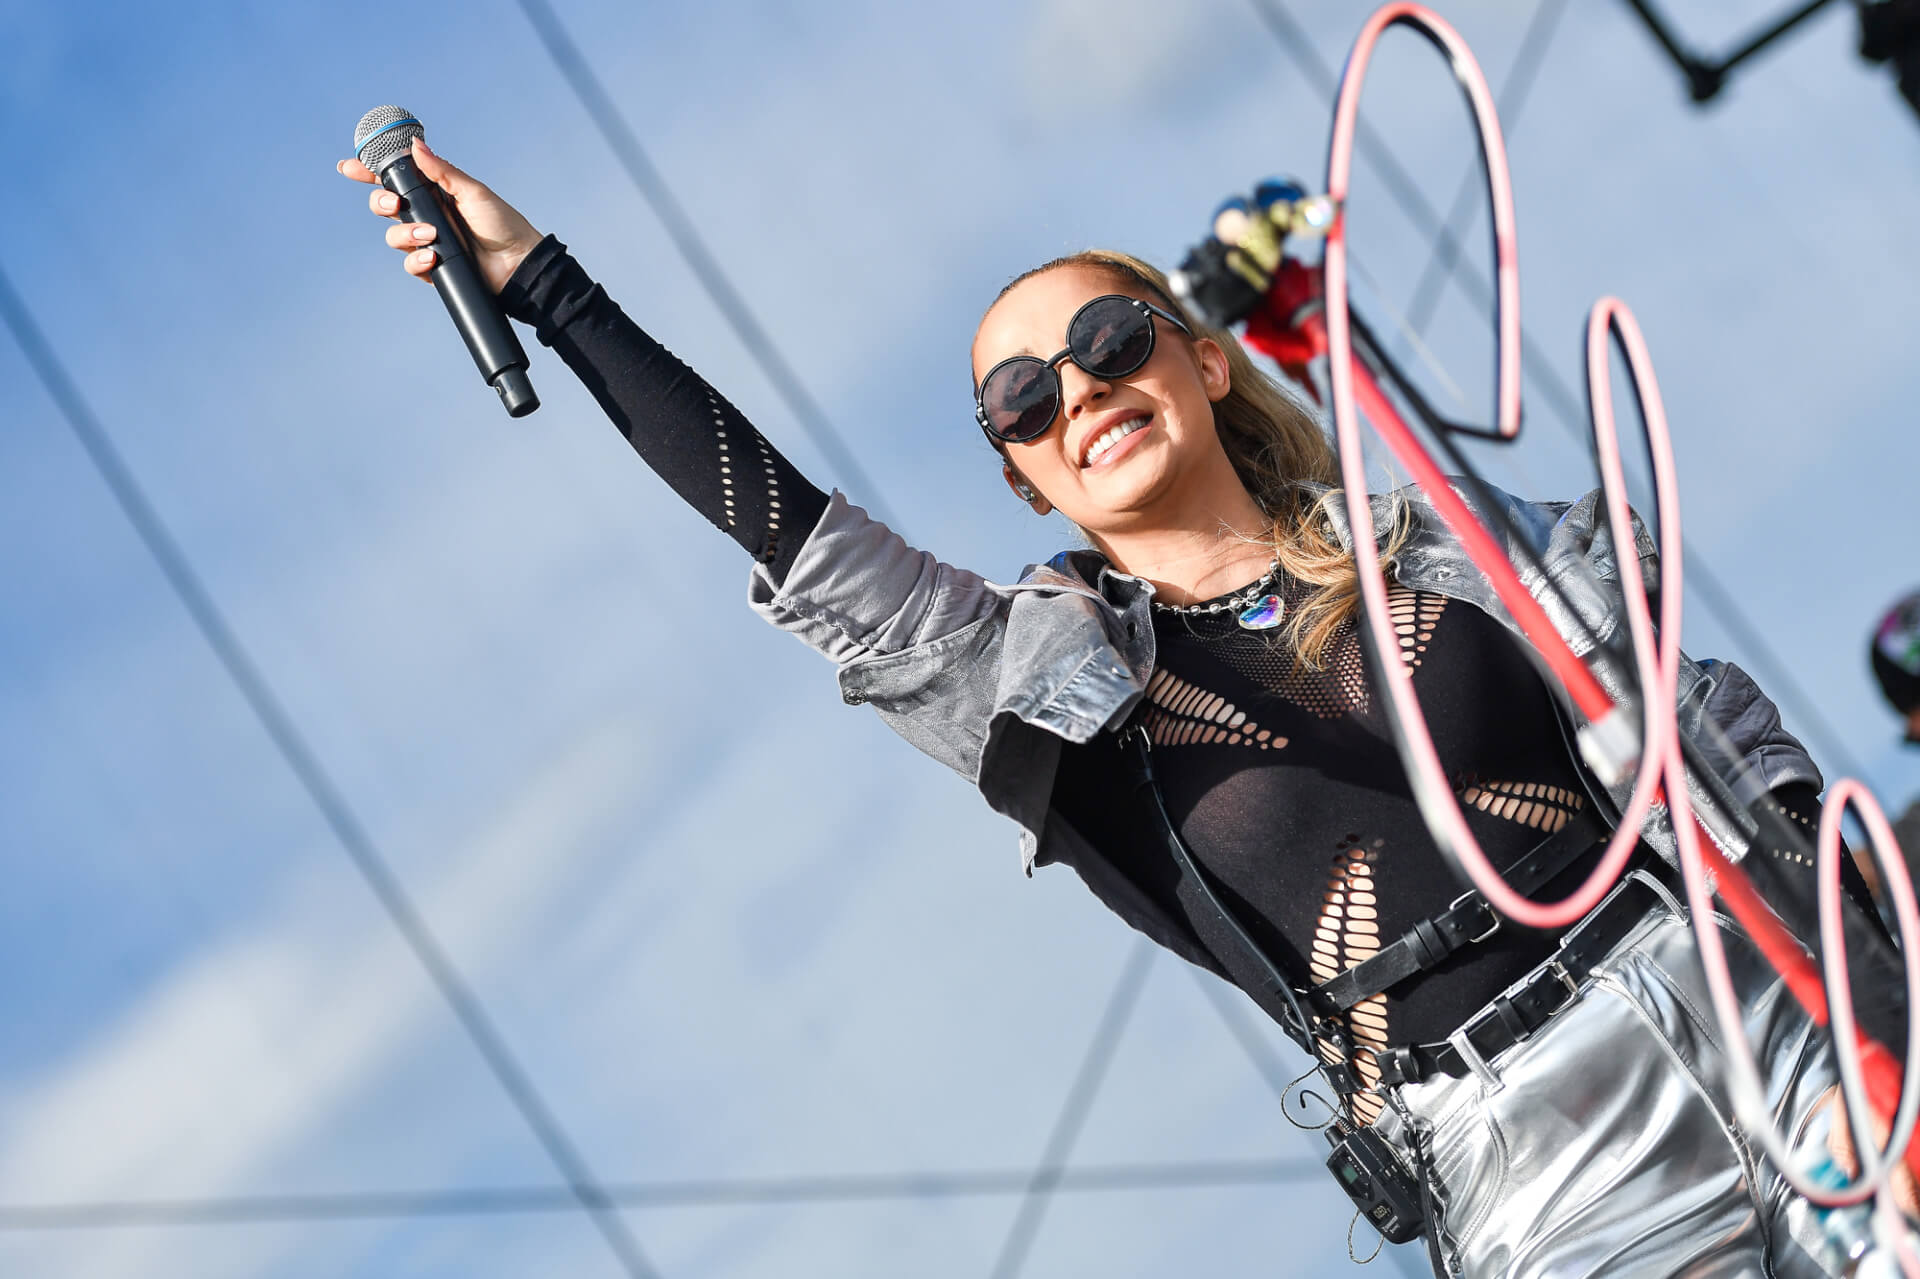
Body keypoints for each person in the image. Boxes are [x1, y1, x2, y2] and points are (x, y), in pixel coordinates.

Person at [338, 139, 1889, 1277]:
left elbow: (1718, 731)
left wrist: (1864, 955)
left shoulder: (1444, 535)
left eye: (1108, 341)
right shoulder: (1048, 695)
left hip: (1761, 995)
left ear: (1205, 360)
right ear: (1020, 470)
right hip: (1540, 1167)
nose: (1078, 393)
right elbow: (789, 530)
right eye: (1024, 401)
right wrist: (546, 288)